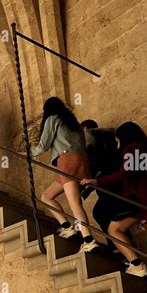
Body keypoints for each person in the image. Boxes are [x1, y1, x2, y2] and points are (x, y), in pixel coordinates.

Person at [82, 122, 147, 276]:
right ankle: (136, 264)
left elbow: (125, 173)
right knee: (116, 229)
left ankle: (137, 265)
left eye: (118, 139)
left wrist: (98, 181)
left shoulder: (133, 148)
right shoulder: (145, 149)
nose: (117, 143)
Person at [24, 97, 99, 253]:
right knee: (47, 196)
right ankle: (66, 226)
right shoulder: (74, 124)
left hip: (66, 161)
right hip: (82, 162)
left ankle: (89, 240)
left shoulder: (53, 118)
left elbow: (43, 146)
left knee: (74, 203)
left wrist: (29, 153)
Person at [80, 120, 123, 252]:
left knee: (106, 213)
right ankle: (117, 247)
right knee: (105, 213)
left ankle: (119, 248)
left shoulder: (99, 144)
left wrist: (87, 188)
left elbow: (102, 168)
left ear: (86, 129)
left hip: (112, 186)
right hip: (107, 186)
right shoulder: (102, 142)